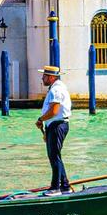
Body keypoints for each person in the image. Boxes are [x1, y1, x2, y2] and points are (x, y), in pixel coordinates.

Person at [35, 65, 72, 193]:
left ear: (51, 77)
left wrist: (41, 119)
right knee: (56, 156)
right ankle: (65, 186)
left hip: (57, 125)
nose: (42, 78)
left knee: (54, 156)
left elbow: (54, 111)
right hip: (55, 126)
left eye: (44, 76)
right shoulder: (56, 88)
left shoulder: (56, 90)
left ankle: (55, 188)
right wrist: (46, 127)